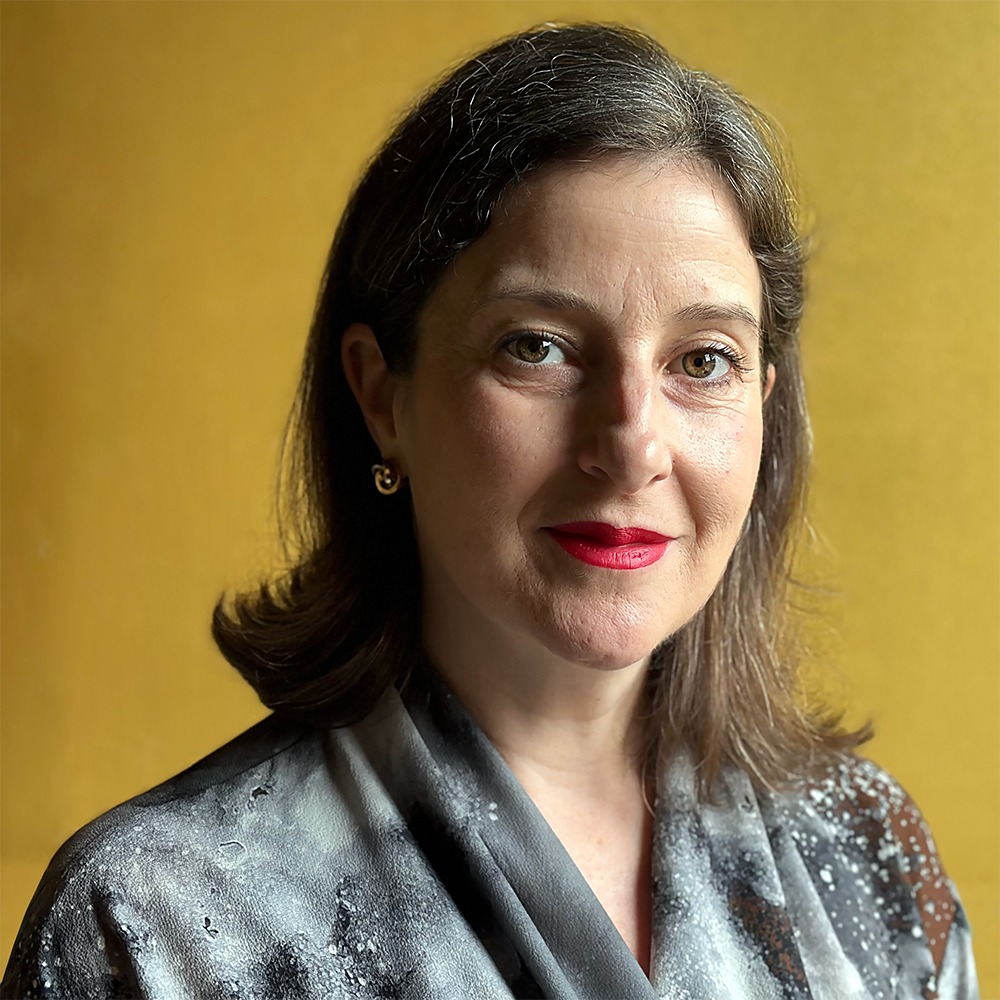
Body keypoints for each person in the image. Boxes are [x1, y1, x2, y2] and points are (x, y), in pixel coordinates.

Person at [2, 22, 977, 1000]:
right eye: (537, 347)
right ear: (382, 394)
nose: (632, 445)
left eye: (701, 360)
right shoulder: (151, 926)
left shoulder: (869, 859)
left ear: (762, 405)